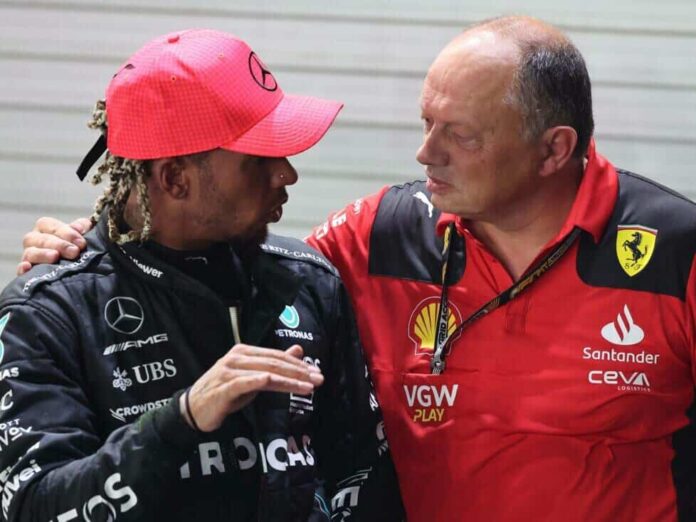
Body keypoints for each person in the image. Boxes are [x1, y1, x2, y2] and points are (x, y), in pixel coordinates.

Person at [18, 16, 696, 521]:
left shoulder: (675, 251)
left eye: (459, 134)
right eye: (427, 123)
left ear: (554, 150)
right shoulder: (376, 237)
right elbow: (184, 238)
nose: (425, 154)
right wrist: (88, 250)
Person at [1, 29, 404, 521]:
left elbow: (362, 472)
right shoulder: (49, 313)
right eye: (260, 159)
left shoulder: (308, 282)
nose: (287, 173)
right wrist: (181, 420)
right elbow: (32, 507)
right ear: (175, 179)